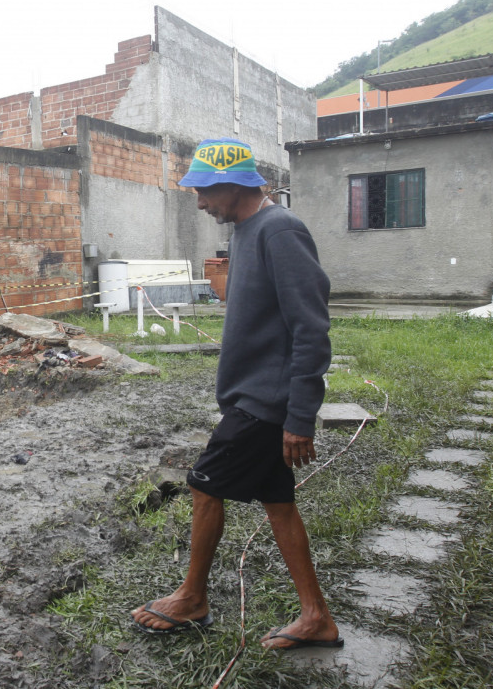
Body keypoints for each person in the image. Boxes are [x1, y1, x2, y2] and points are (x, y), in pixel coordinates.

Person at [130, 138, 342, 651]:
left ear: (233, 184)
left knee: (205, 482)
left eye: (203, 191)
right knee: (278, 503)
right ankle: (316, 617)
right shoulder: (248, 231)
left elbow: (311, 329)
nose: (200, 202)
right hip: (253, 396)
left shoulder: (280, 230)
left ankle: (192, 597)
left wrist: (300, 417)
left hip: (265, 402)